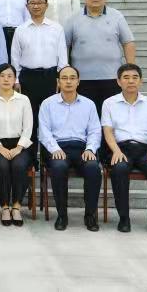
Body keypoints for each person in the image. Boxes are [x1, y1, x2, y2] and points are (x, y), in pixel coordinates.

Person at [102, 64, 147, 234]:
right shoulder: (109, 103)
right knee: (119, 169)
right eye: (126, 77)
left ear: (141, 81)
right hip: (121, 148)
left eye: (135, 77)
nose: (131, 81)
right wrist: (116, 151)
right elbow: (107, 131)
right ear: (118, 81)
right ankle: (124, 218)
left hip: (145, 149)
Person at [38, 65, 102, 232]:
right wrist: (54, 149)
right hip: (58, 147)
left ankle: (90, 215)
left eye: (72, 78)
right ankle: (62, 215)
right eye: (64, 78)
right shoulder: (48, 104)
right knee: (58, 167)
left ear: (78, 81)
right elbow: (44, 131)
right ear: (58, 82)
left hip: (82, 148)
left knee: (93, 168)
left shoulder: (88, 104)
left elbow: (95, 131)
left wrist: (90, 149)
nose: (68, 81)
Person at [64, 0, 136, 121]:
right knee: (85, 118)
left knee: (111, 118)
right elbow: (64, 45)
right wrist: (65, 70)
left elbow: (128, 42)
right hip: (82, 80)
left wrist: (131, 69)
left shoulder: (116, 16)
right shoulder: (73, 18)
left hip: (112, 78)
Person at [11, 0, 68, 161]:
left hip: (50, 77)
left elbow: (62, 56)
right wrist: (16, 79)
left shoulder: (57, 28)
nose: (36, 6)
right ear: (27, 6)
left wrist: (61, 78)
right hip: (27, 78)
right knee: (29, 119)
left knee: (49, 119)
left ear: (46, 5)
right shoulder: (20, 29)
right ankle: (30, 160)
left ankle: (48, 159)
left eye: (39, 3)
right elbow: (15, 57)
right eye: (32, 3)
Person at [0, 64, 34, 227]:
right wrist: (0, 147)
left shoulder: (24, 100)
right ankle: (5, 206)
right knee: (2, 166)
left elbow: (28, 127)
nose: (6, 79)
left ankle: (16, 206)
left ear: (14, 79)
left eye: (10, 76)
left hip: (20, 144)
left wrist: (19, 147)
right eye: (2, 76)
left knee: (19, 165)